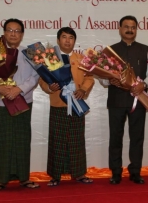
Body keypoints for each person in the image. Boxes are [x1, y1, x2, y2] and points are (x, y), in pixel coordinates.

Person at [0, 18, 40, 192]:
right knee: (4, 140)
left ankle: (24, 178)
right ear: (4, 32)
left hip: (23, 101)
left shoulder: (29, 53)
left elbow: (35, 77)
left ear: (22, 34)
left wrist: (19, 89)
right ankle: (2, 180)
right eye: (10, 30)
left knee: (22, 140)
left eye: (17, 31)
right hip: (1, 102)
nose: (13, 34)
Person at [103, 15, 148, 185]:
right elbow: (102, 78)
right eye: (126, 26)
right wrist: (108, 80)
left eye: (133, 27)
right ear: (119, 29)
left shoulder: (144, 50)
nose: (129, 30)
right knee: (115, 137)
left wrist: (144, 85)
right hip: (116, 100)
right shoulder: (110, 51)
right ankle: (116, 173)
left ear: (136, 29)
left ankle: (135, 172)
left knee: (137, 137)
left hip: (138, 99)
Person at [39, 27, 95, 186]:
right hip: (58, 105)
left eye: (71, 37)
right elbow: (42, 80)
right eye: (64, 37)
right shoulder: (50, 59)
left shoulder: (81, 58)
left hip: (77, 104)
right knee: (57, 141)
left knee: (77, 141)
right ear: (58, 40)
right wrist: (50, 88)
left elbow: (90, 78)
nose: (67, 40)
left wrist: (83, 89)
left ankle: (79, 174)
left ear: (74, 41)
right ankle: (55, 176)